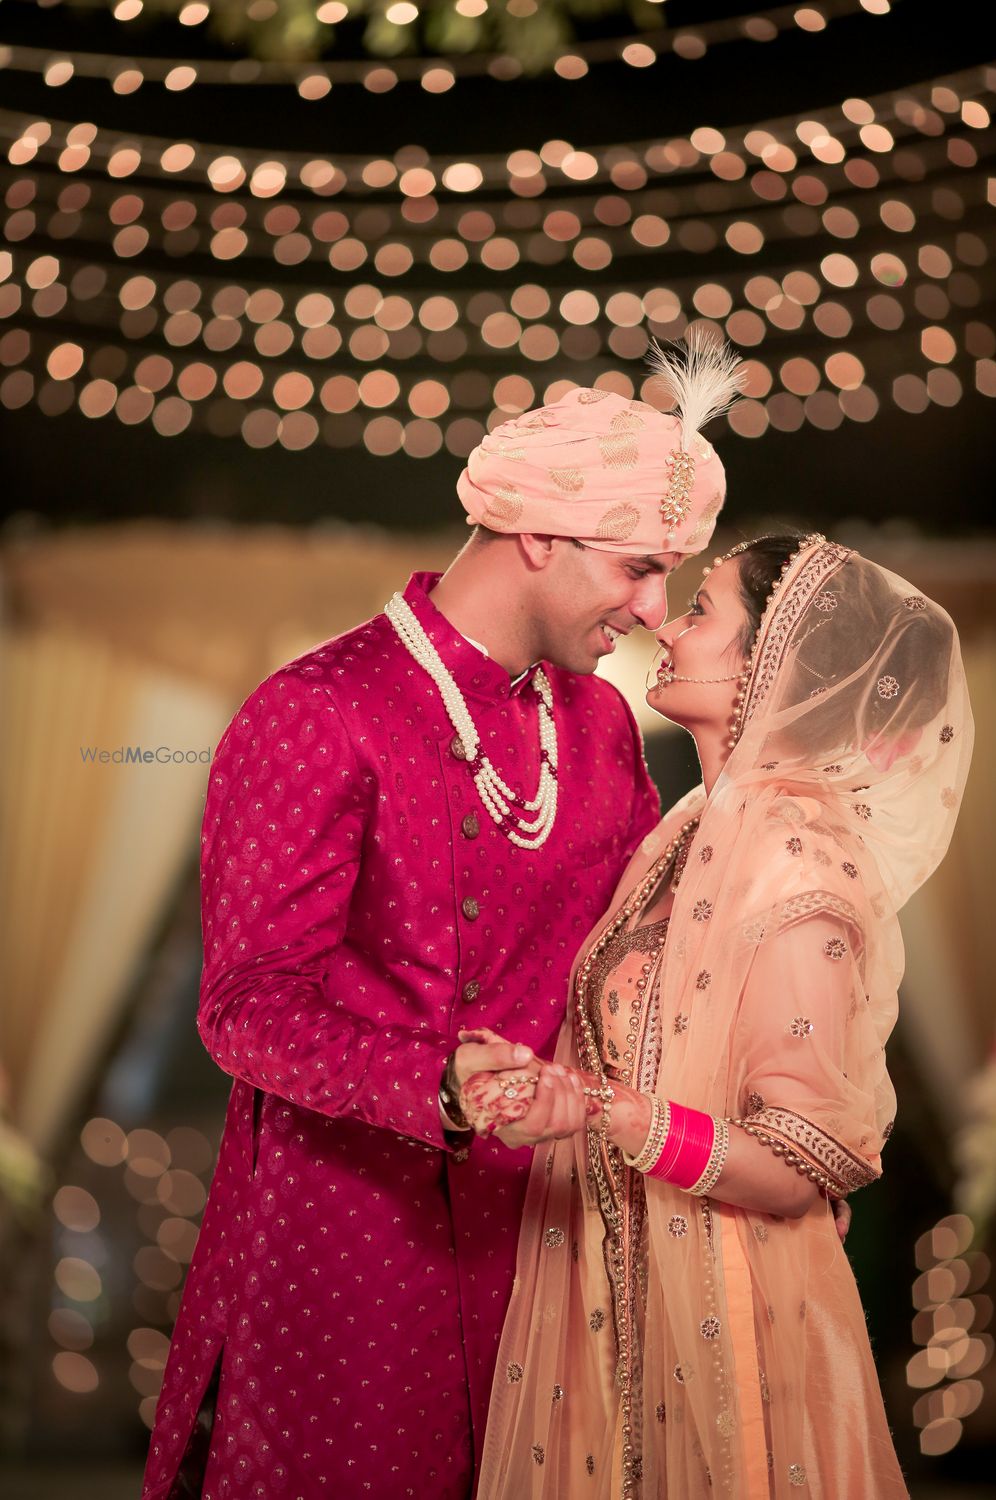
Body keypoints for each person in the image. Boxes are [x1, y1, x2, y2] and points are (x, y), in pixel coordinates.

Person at [141, 340, 747, 1500]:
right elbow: (245, 1009)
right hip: (353, 1245)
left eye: (670, 576)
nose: (652, 608)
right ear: (537, 536)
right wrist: (446, 1084)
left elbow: (638, 967)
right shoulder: (318, 712)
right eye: (634, 568)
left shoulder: (603, 730)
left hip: (551, 1234)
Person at [475, 531, 973, 1498]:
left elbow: (807, 1155)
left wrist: (603, 1115)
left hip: (734, 1325)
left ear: (772, 659)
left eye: (702, 612)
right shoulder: (689, 831)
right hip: (615, 1293)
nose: (664, 623)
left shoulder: (794, 853)